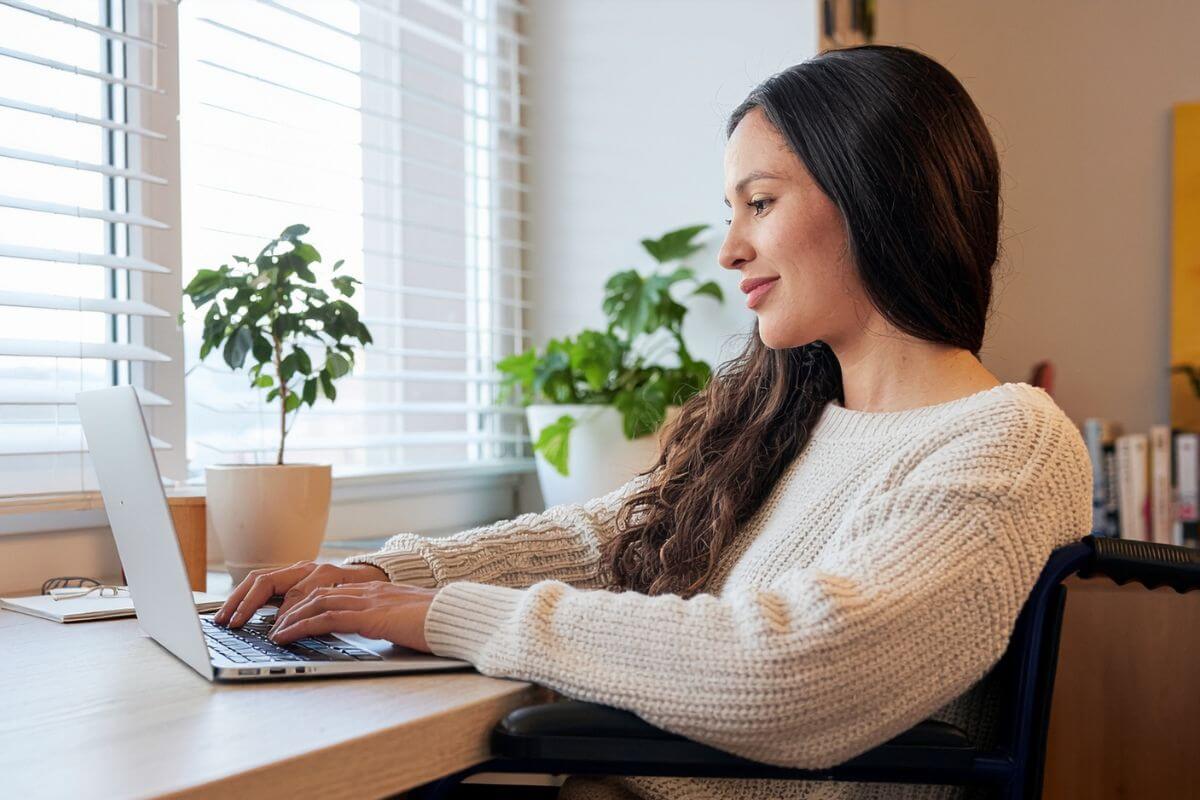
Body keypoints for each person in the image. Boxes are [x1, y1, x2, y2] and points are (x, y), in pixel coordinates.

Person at [215, 44, 1092, 800]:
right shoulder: (794, 420)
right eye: (731, 212)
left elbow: (794, 666)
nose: (729, 249)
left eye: (761, 202)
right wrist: (372, 577)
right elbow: (600, 540)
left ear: (878, 195)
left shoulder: (1008, 444)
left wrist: (440, 613)